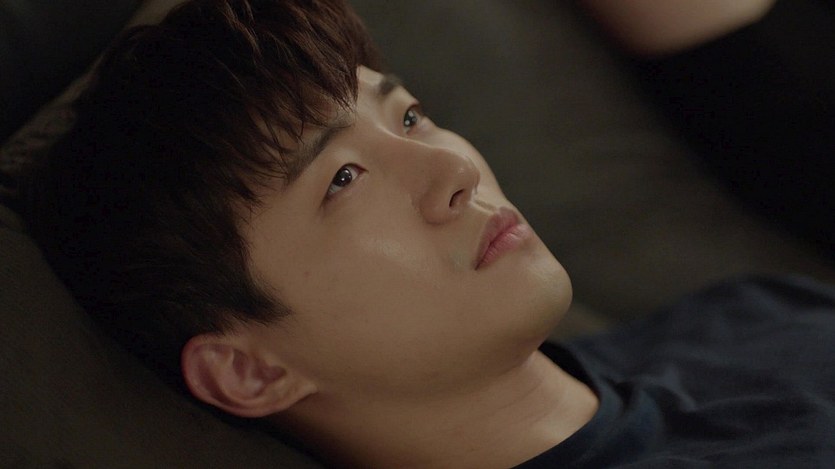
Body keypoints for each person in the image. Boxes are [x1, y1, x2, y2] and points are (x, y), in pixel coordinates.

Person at [22, 0, 835, 467]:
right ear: (249, 368)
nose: (452, 168)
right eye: (343, 178)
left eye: (408, 116)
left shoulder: (743, 313)